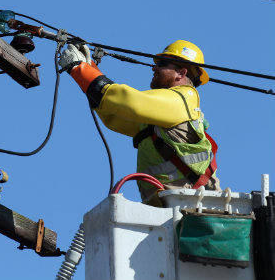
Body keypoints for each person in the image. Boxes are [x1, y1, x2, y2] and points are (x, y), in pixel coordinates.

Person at [59, 40, 220, 206]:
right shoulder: (162, 114)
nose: (154, 68)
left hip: (191, 204)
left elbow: (129, 102)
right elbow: (116, 116)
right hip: (173, 204)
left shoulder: (183, 99)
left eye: (162, 64)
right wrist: (89, 69)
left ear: (181, 73)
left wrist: (80, 69)